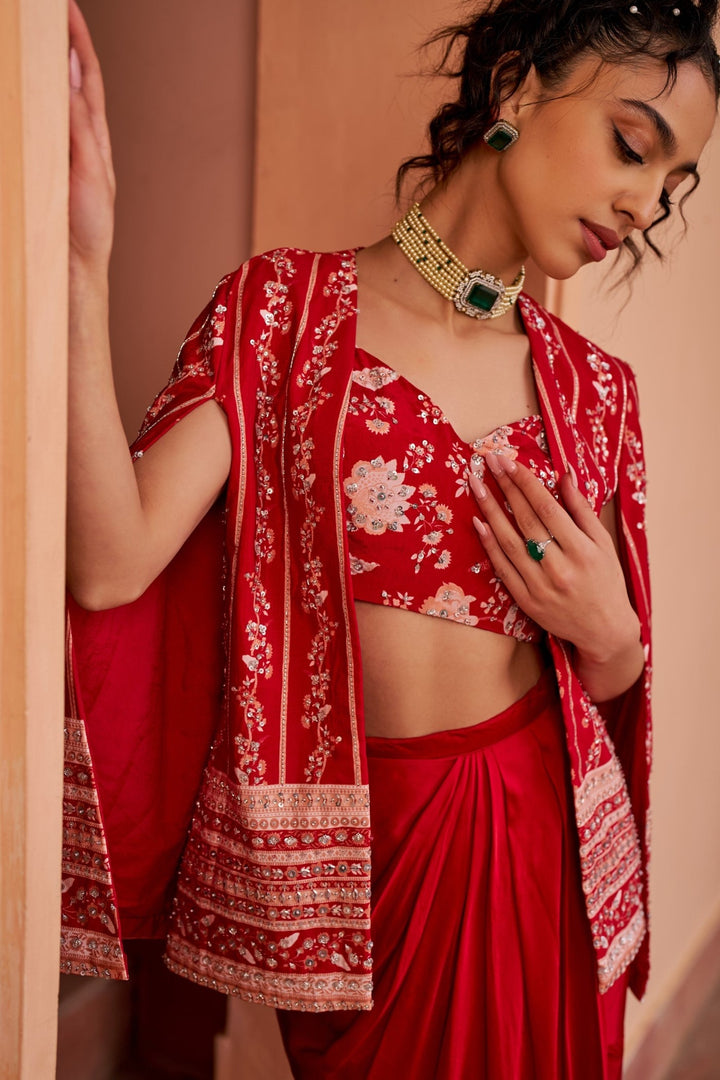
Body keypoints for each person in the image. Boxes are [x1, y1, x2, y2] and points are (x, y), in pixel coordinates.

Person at [64, 0, 718, 1076]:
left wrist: (617, 641)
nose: (643, 203)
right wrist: (84, 268)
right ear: (514, 90)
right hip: (370, 874)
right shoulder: (284, 312)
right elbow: (112, 561)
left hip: (536, 854)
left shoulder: (592, 391)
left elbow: (607, 681)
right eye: (631, 145)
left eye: (669, 183)